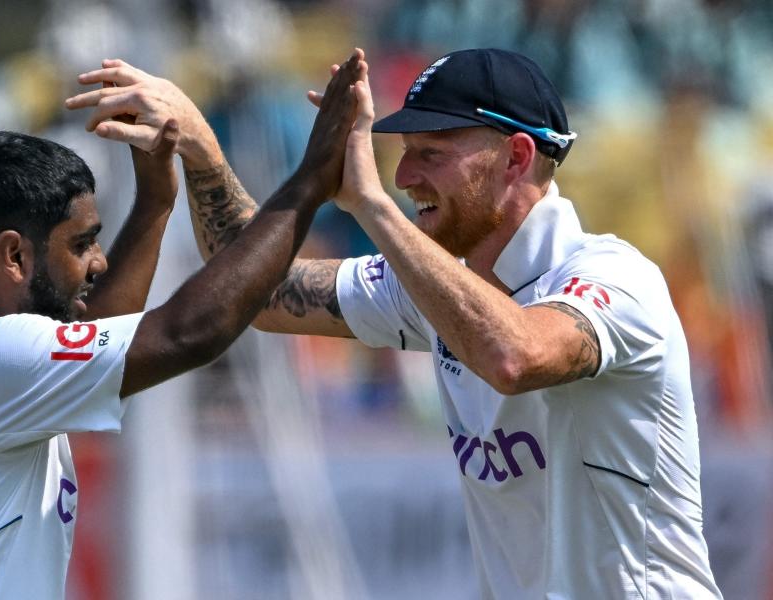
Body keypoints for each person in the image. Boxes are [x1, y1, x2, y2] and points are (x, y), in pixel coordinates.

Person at [67, 48, 722, 598]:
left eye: (431, 152)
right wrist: (203, 148)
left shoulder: (614, 277)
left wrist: (372, 208)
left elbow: (514, 356)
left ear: (517, 158)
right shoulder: (436, 281)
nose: (405, 175)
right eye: (403, 152)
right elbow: (267, 295)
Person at [0, 51, 365, 599]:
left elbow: (98, 333)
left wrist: (154, 202)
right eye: (81, 244)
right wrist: (310, 181)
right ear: (14, 257)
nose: (98, 263)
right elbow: (188, 333)